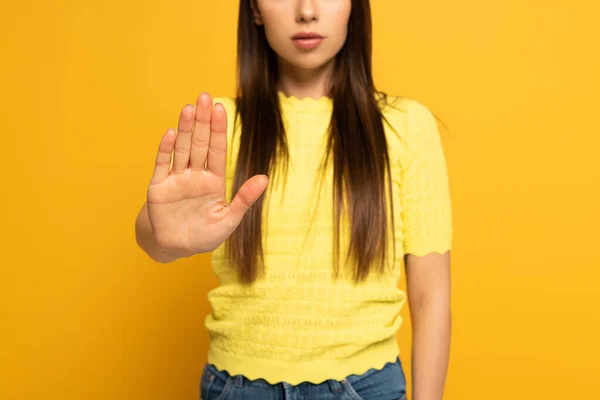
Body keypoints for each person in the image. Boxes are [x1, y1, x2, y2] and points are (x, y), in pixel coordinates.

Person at [135, 0, 453, 399]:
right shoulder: (220, 126)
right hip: (237, 388)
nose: (306, 10)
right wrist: (162, 235)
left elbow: (431, 298)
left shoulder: (406, 127)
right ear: (254, 9)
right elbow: (155, 238)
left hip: (367, 387)